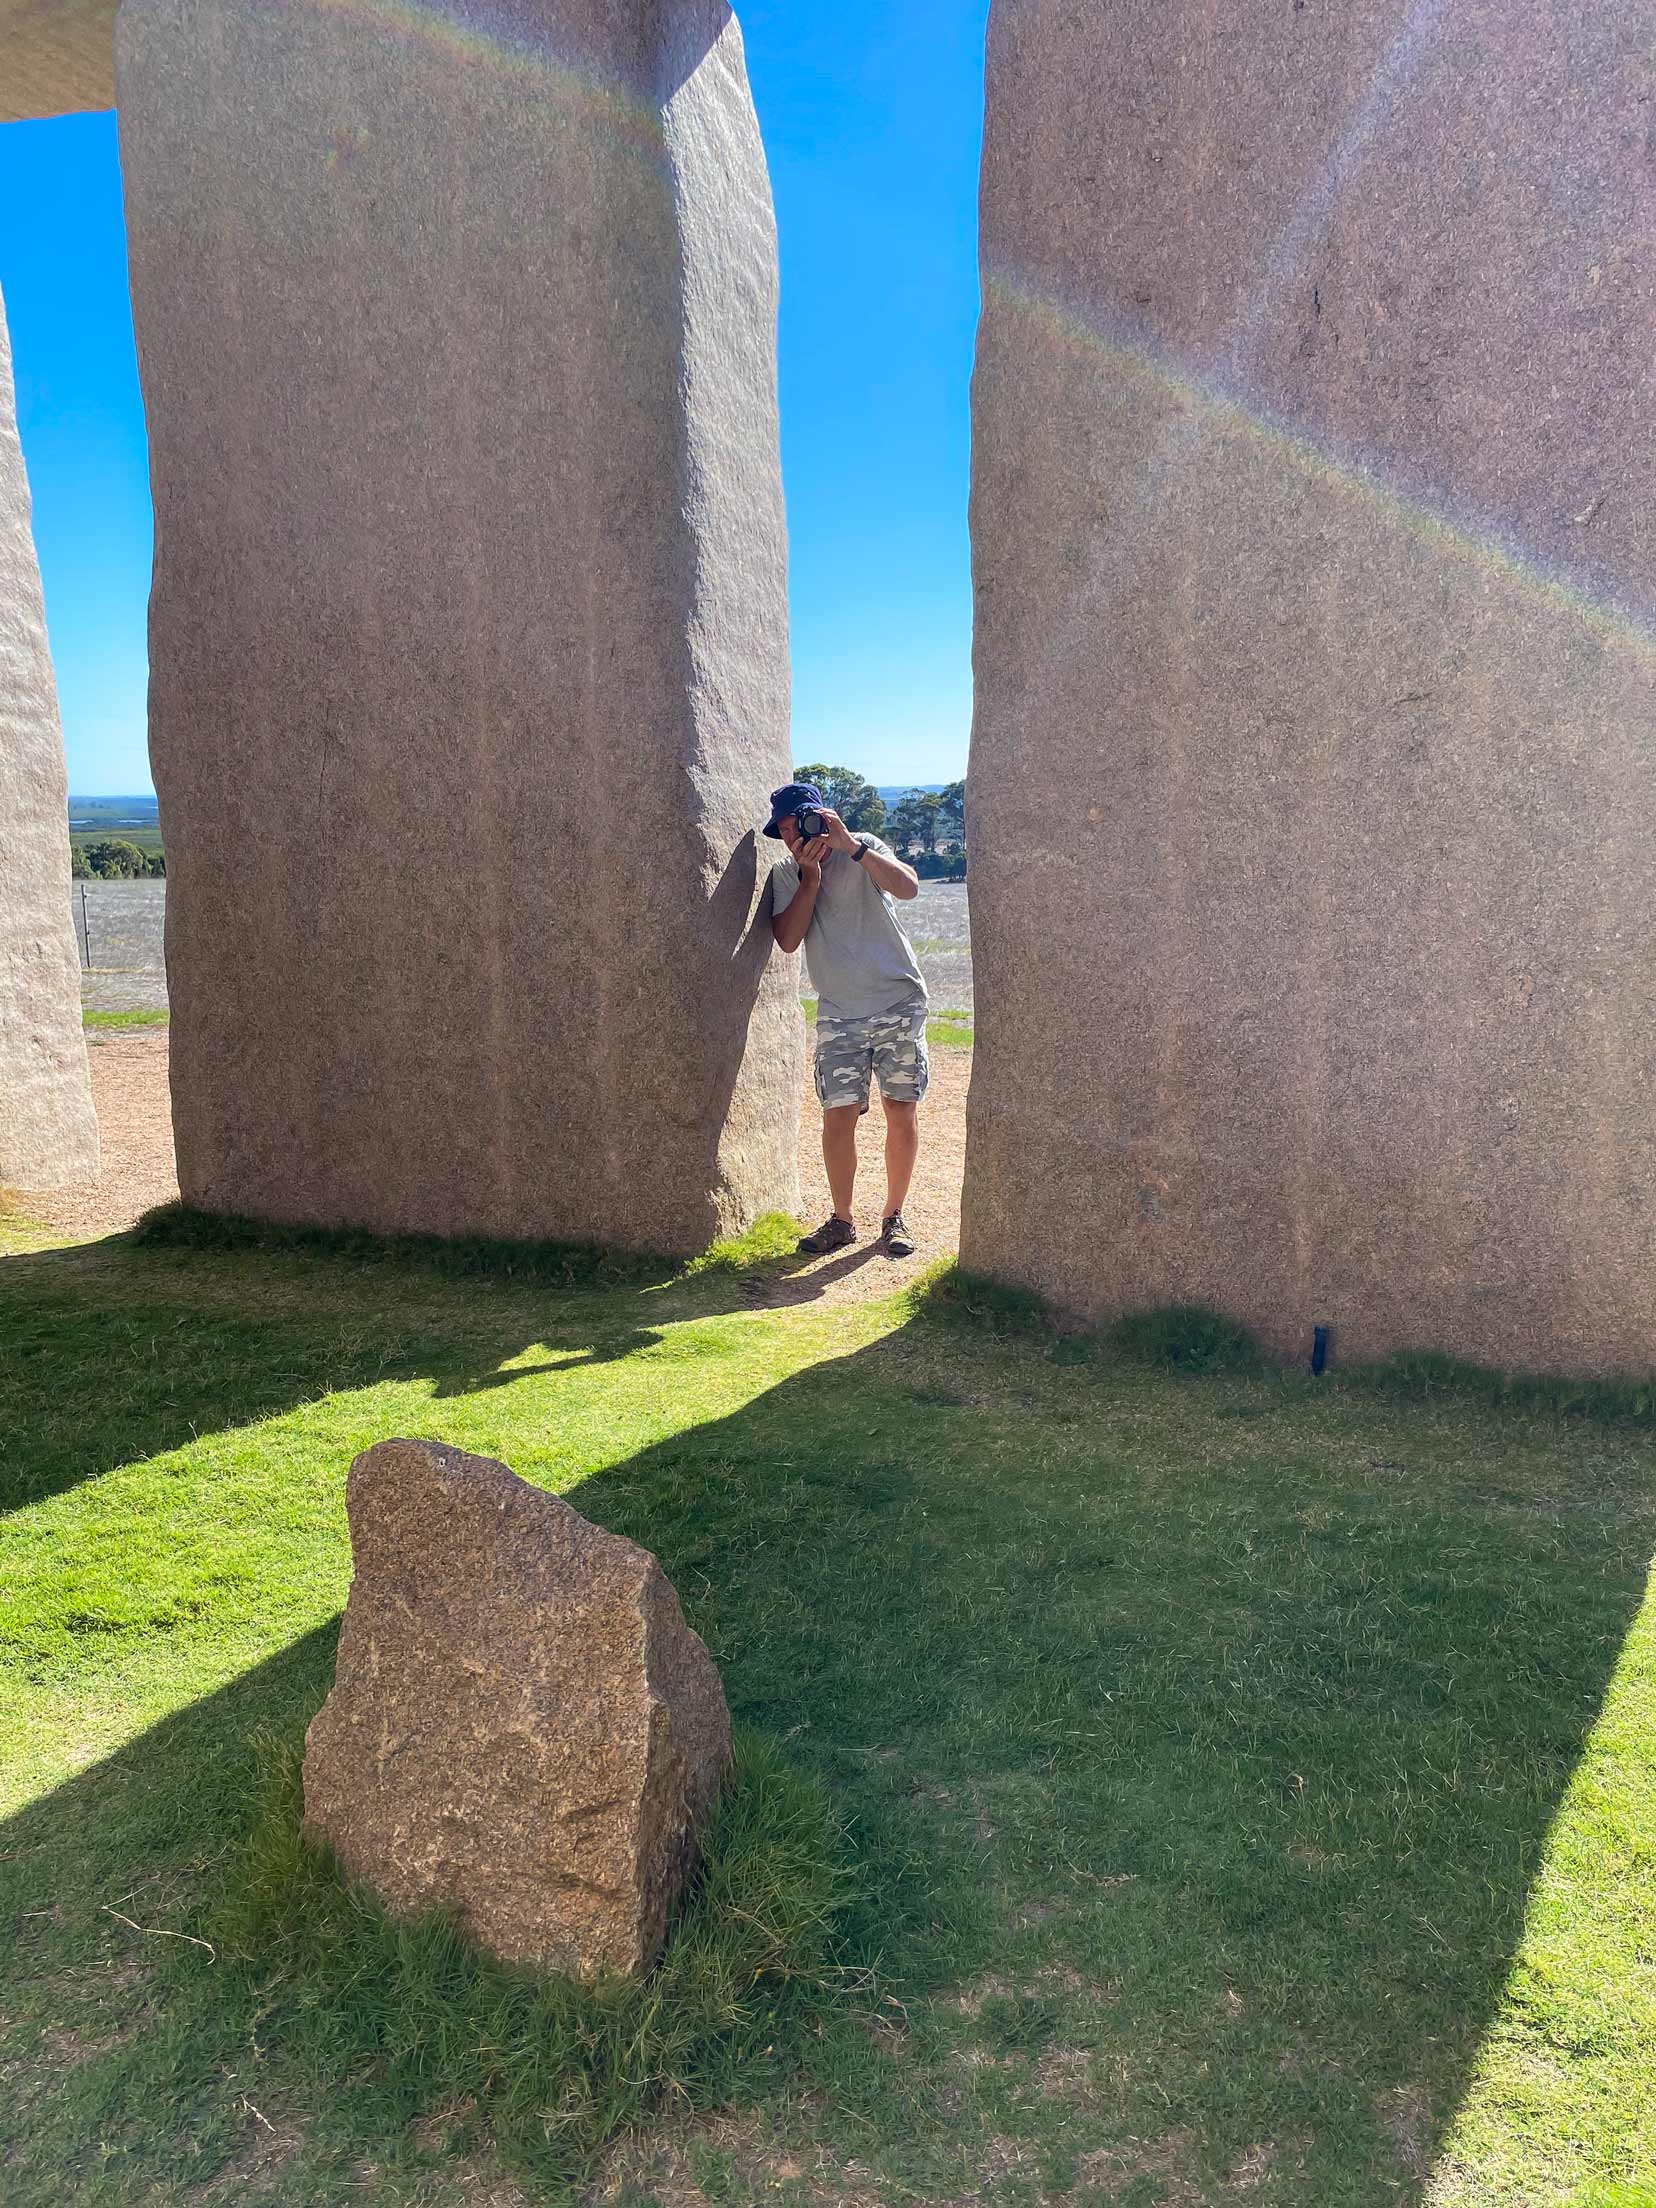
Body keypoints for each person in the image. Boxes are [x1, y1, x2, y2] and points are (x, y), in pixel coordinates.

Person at [765, 780, 927, 1258]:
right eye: (787, 830)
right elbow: (788, 940)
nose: (796, 837)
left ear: (823, 816)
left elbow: (910, 887)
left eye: (802, 825)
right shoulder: (786, 874)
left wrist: (852, 847)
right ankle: (842, 1220)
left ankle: (894, 1217)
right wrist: (810, 877)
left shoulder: (864, 848)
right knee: (837, 1117)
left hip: (896, 999)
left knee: (901, 1109)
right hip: (839, 1011)